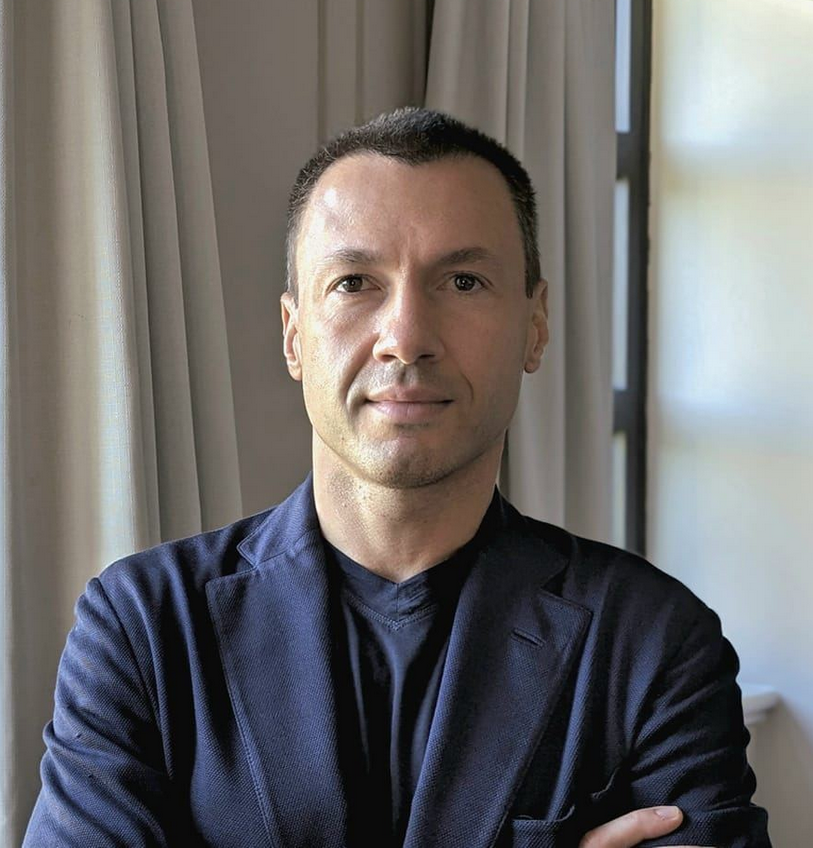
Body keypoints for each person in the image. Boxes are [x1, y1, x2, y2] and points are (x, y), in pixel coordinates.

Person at [24, 107, 771, 848]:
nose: (406, 338)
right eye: (354, 282)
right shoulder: (142, 627)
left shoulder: (653, 642)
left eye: (465, 281)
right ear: (293, 334)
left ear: (535, 325)